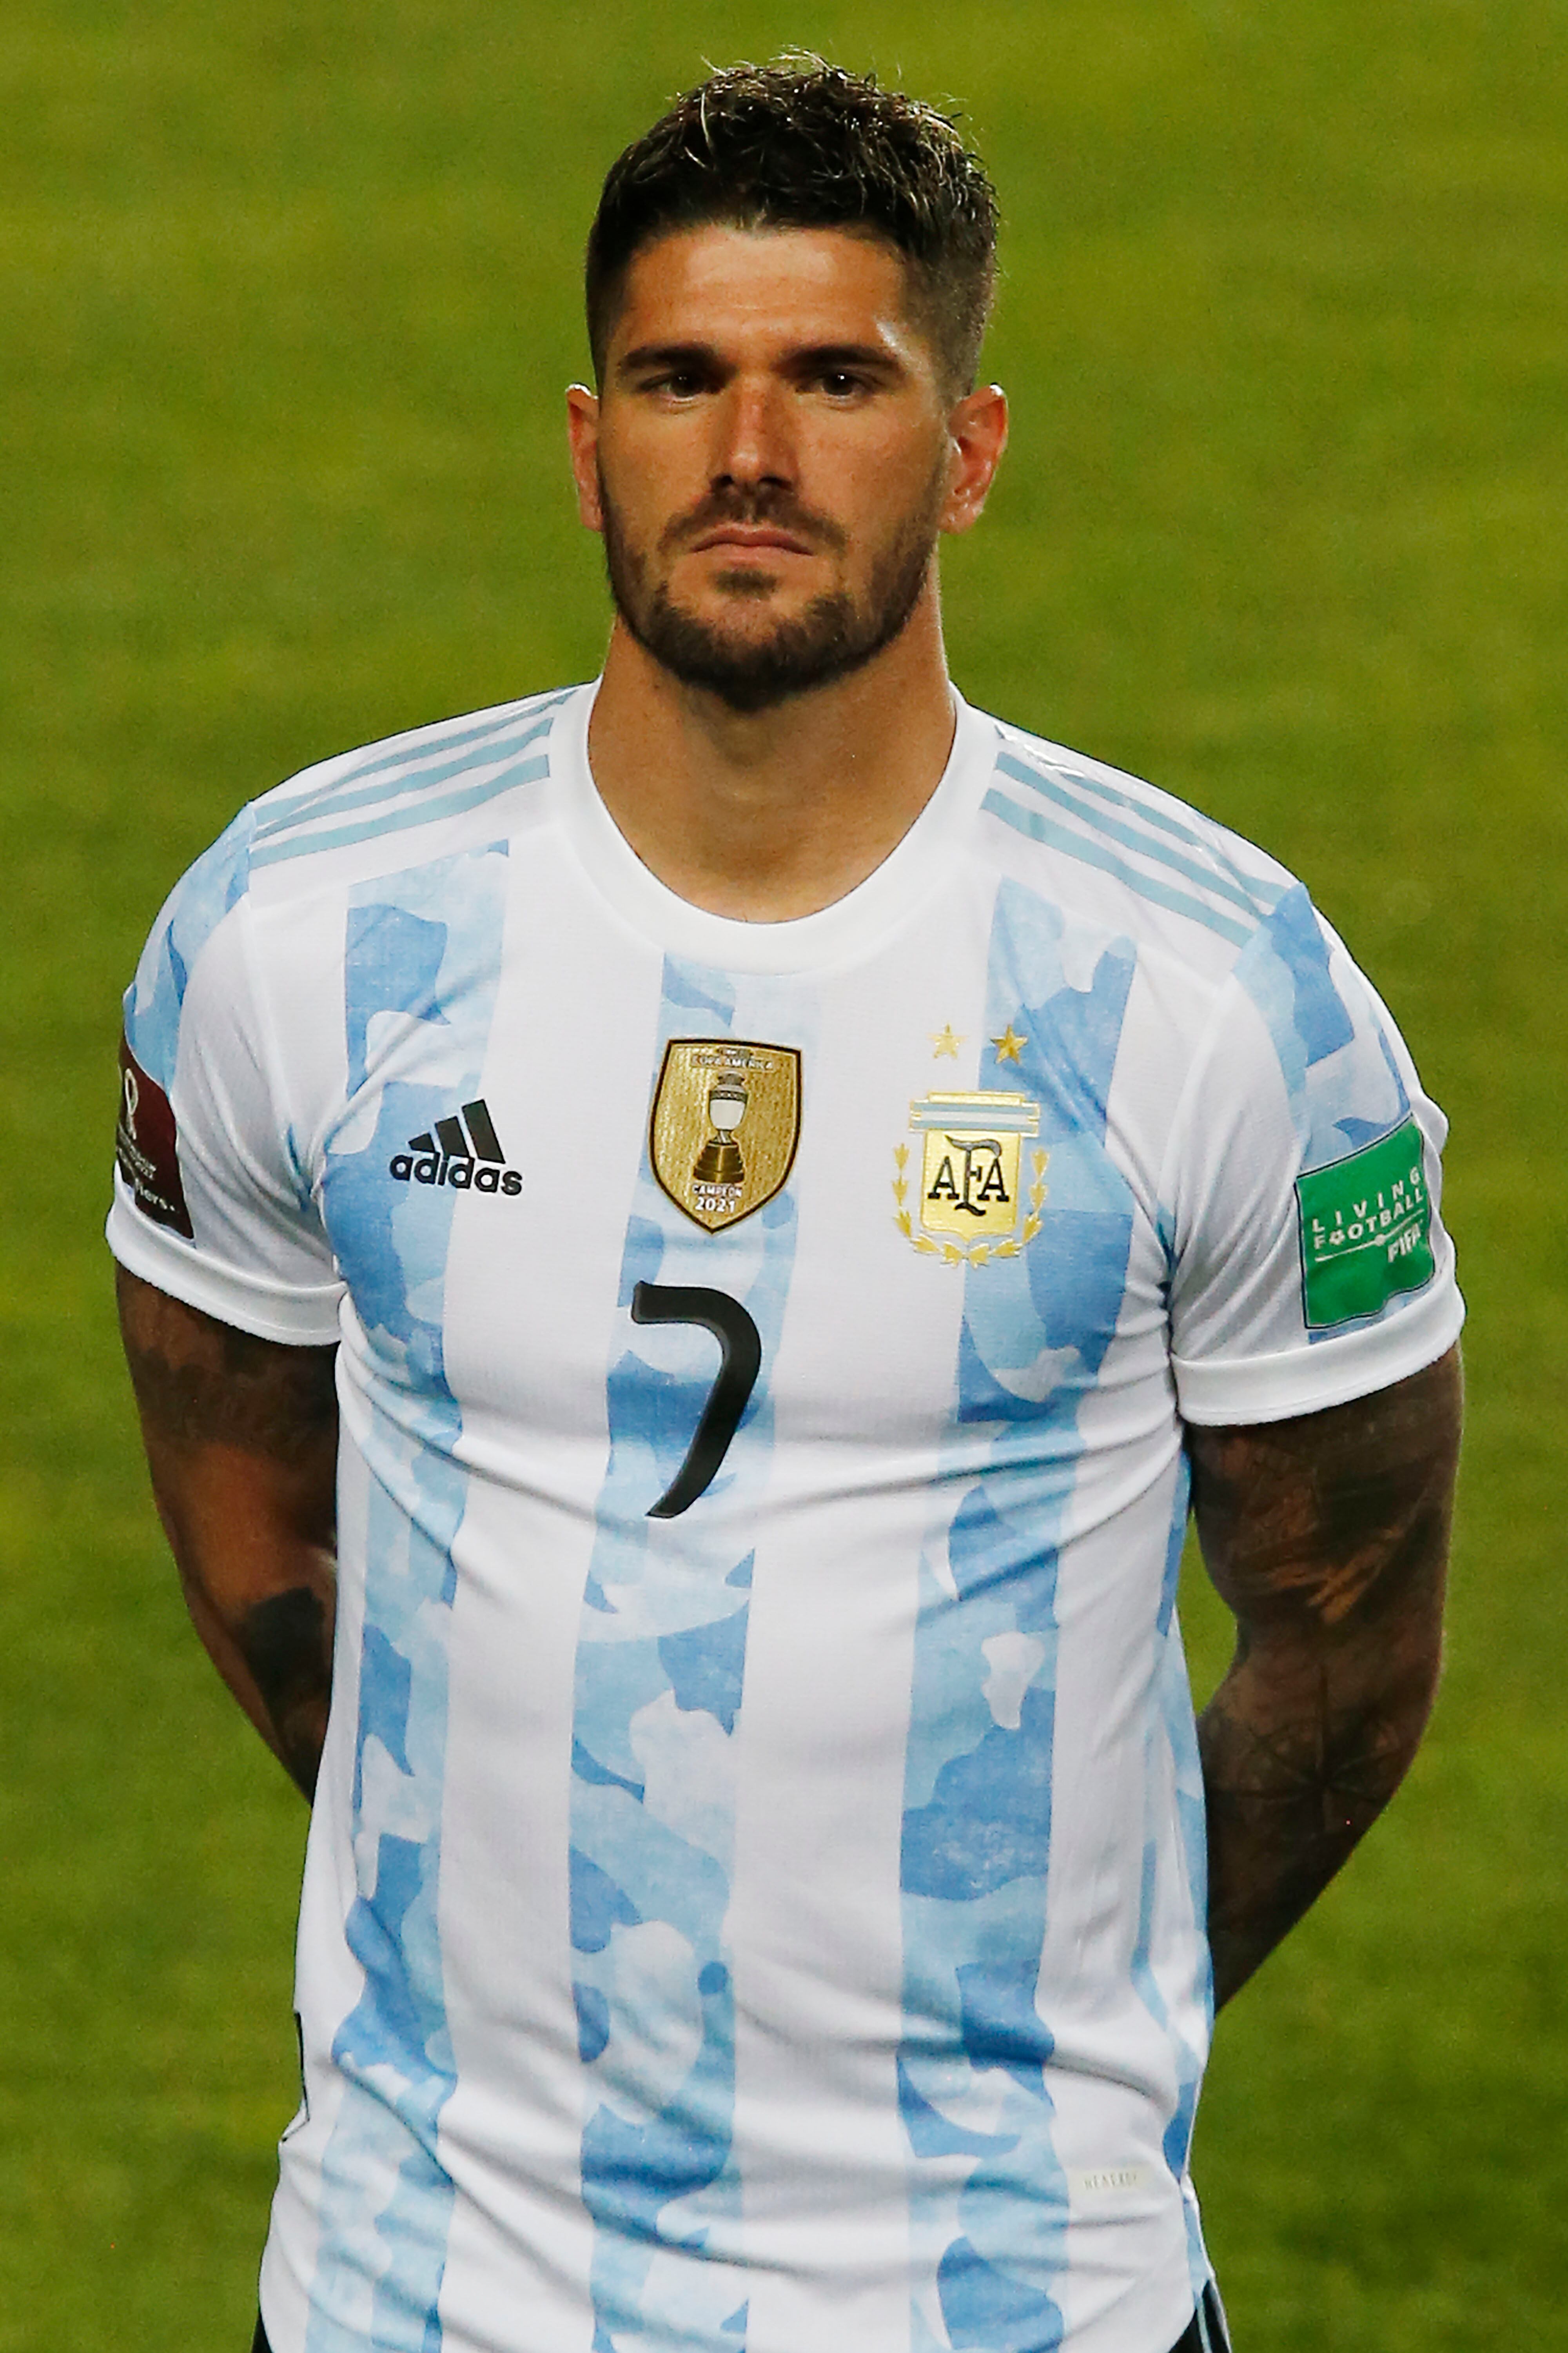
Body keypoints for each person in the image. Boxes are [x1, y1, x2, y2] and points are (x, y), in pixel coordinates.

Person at [111, 57, 1463, 2353]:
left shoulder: (1218, 998)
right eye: (681, 380)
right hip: (420, 2298)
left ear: (970, 448)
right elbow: (249, 1516)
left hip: (1015, 2304)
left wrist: (1044, 2021)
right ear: (587, 443)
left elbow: (1348, 1642)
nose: (751, 451)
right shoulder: (298, 936)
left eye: (836, 378)